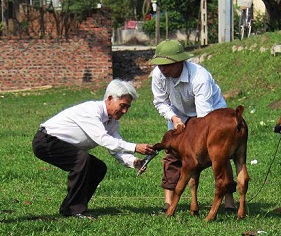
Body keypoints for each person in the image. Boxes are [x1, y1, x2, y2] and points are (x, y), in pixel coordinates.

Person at [32, 79, 155, 219]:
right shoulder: (91, 111)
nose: (125, 111)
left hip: (60, 144)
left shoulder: (112, 121)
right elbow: (103, 139)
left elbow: (115, 145)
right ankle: (75, 209)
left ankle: (69, 207)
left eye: (128, 107)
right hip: (46, 141)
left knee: (98, 167)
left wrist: (133, 161)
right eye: (122, 106)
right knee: (82, 160)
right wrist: (135, 147)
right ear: (109, 99)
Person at [150, 39, 236, 213]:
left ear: (179, 62)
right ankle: (168, 202)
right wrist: (174, 118)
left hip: (210, 114)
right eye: (159, 64)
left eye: (166, 64)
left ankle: (229, 201)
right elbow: (160, 102)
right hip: (178, 115)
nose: (162, 68)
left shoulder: (200, 77)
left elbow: (204, 116)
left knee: (219, 154)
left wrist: (193, 139)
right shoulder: (159, 74)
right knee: (172, 153)